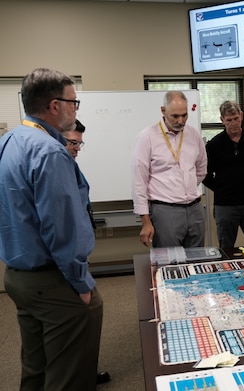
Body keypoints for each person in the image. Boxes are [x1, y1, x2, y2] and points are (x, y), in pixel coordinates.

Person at [0, 68, 103, 390]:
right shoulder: (50, 151)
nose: (76, 108)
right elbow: (62, 227)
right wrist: (81, 284)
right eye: (74, 102)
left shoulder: (9, 141)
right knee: (68, 374)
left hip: (17, 275)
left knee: (36, 366)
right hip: (52, 278)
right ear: (54, 105)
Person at [63, 119, 111, 385]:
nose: (77, 148)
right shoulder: (54, 165)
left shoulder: (70, 163)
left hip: (77, 253)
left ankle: (84, 373)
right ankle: (79, 377)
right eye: (73, 142)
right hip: (68, 259)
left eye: (80, 143)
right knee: (84, 312)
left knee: (86, 314)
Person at [132, 90, 207, 248]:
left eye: (184, 115)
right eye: (175, 116)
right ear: (163, 111)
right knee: (169, 264)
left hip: (195, 209)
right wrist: (145, 221)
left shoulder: (193, 135)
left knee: (198, 262)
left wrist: (185, 187)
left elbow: (201, 169)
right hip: (165, 211)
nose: (181, 121)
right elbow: (139, 182)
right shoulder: (147, 137)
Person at [203, 100, 244, 249]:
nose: (233, 123)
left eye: (236, 119)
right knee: (226, 247)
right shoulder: (214, 145)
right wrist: (221, 188)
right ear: (222, 120)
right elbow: (205, 174)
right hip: (225, 206)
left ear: (241, 116)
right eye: (229, 120)